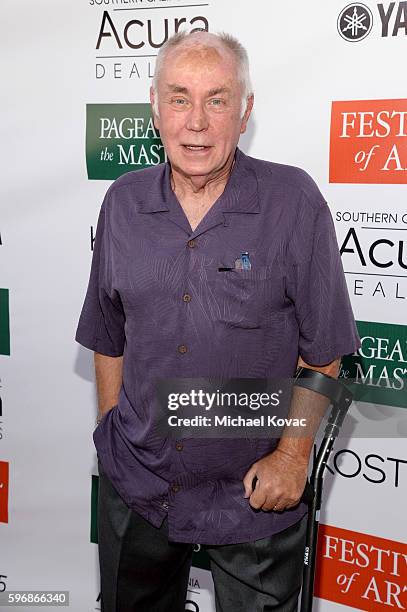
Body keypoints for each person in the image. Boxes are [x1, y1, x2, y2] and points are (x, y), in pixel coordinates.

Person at [75, 30, 361, 612]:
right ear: (154, 106)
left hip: (255, 493)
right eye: (179, 98)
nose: (197, 122)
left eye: (218, 99)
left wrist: (291, 456)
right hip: (140, 483)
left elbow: (325, 348)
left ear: (246, 109)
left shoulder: (294, 201)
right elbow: (108, 331)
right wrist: (112, 433)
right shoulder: (122, 202)